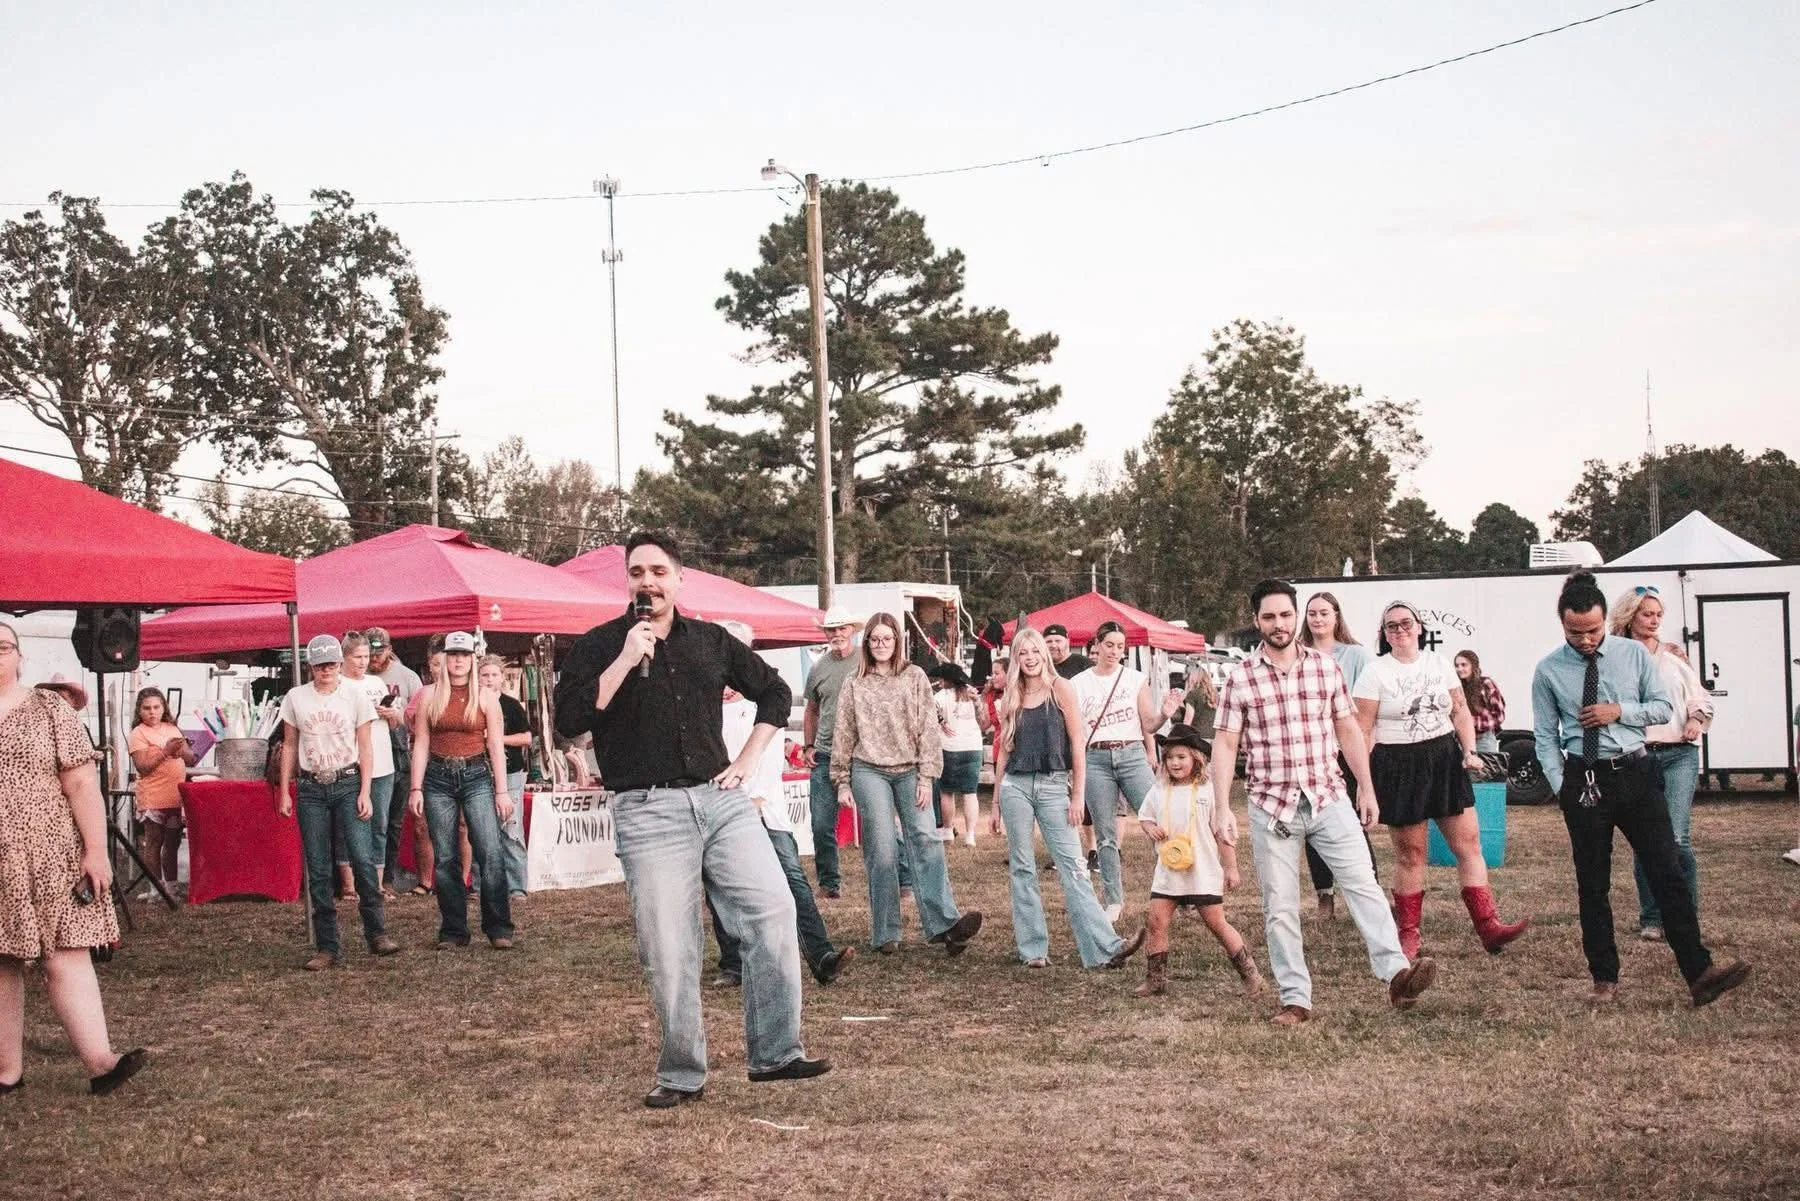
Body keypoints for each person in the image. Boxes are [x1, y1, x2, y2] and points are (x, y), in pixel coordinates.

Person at [553, 531, 827, 1108]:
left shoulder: (711, 640)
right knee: (670, 945)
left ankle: (776, 1053)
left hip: (720, 800)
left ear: (679, 579)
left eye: (657, 571)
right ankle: (682, 1073)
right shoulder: (601, 644)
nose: (647, 582)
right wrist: (626, 659)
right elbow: (569, 721)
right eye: (636, 573)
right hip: (647, 809)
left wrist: (749, 759)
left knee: (773, 909)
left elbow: (775, 693)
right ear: (626, 583)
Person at [1211, 580, 1437, 1026]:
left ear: (1296, 617)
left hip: (1329, 797)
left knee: (1364, 887)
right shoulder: (1240, 677)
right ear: (1257, 620)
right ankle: (1295, 999)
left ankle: (1397, 974)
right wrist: (1221, 808)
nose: (1280, 624)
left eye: (1286, 615)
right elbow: (1224, 743)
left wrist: (1366, 788)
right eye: (1270, 617)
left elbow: (1348, 729)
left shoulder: (1325, 668)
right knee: (1280, 908)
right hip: (1271, 805)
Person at [1531, 572, 1750, 1007]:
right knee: (1592, 884)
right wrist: (1562, 787)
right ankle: (1604, 979)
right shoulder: (1549, 670)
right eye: (1576, 633)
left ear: (1604, 620)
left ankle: (1699, 973)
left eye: (1593, 630)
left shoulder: (1633, 655)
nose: (1587, 640)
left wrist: (1619, 711)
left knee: (1667, 870)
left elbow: (1662, 706)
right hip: (1584, 779)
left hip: (1635, 774)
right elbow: (1544, 736)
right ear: (1562, 624)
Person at [0, 622, 148, 1095]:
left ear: (20, 657)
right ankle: (7, 1073)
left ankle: (101, 1064)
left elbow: (82, 784)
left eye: (3, 647)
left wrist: (98, 851)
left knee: (68, 955)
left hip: (51, 852)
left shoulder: (49, 709)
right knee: (1, 962)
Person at [1353, 602, 1529, 958]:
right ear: (1384, 635)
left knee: (1469, 845)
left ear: (1419, 627)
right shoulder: (1375, 672)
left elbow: (1461, 710)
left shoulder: (1438, 663)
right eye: (1391, 627)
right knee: (1411, 855)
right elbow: (1362, 729)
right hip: (1398, 765)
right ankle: (1408, 934)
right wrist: (1364, 783)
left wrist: (1468, 751)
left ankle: (1489, 927)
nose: (1400, 630)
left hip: (1444, 760)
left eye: (1406, 623)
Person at [709, 622, 854, 989]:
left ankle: (820, 956)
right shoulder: (704, 704)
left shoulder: (765, 700)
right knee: (720, 888)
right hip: (718, 808)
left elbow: (770, 761)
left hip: (763, 808)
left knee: (792, 881)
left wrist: (754, 799)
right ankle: (734, 962)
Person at [988, 628, 1140, 970]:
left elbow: (1077, 743)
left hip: (1055, 785)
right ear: (1015, 658)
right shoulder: (1010, 694)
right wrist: (995, 801)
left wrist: (1078, 795)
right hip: (1016, 786)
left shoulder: (1061, 689)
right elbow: (1003, 753)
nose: (1029, 658)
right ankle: (1033, 949)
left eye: (1034, 652)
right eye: (1022, 653)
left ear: (1044, 654)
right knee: (1022, 867)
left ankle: (1104, 947)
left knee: (1073, 867)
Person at [833, 611, 983, 956]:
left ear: (898, 641)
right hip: (868, 769)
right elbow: (843, 732)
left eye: (888, 638)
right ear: (867, 643)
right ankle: (886, 931)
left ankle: (945, 925)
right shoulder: (855, 681)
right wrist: (842, 780)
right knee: (882, 848)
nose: (881, 645)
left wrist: (927, 775)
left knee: (926, 838)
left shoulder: (914, 676)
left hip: (911, 769)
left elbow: (929, 728)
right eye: (875, 639)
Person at [277, 634, 400, 970]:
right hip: (312, 785)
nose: (326, 670)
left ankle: (377, 932)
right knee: (318, 866)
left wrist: (364, 790)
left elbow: (366, 744)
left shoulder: (355, 695)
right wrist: (285, 790)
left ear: (338, 663)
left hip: (347, 781)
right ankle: (327, 945)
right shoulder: (296, 698)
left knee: (362, 858)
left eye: (331, 663)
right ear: (310, 666)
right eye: (320, 665)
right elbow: (289, 744)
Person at [1607, 587, 1714, 944]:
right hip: (1637, 755)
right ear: (1630, 617)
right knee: (1646, 840)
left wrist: (1696, 718)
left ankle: (1685, 916)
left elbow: (1699, 697)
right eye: (1646, 614)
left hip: (1678, 753)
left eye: (1657, 615)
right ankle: (1652, 917)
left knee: (1678, 837)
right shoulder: (1616, 658)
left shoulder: (1674, 658)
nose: (1654, 621)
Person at [1135, 725, 1262, 998]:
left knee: (1216, 923)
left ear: (1196, 758)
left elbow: (1222, 833)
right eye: (1169, 758)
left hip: (1202, 870)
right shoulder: (1159, 790)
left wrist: (1231, 868)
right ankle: (1155, 978)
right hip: (1169, 870)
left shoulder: (1208, 792)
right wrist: (1149, 828)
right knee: (1156, 920)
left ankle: (1250, 973)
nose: (1175, 763)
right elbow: (1145, 816)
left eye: (1181, 757)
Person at [408, 632, 515, 951]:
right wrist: (415, 787)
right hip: (438, 776)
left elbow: (496, 744)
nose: (458, 660)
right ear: (445, 658)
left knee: (490, 850)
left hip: (477, 774)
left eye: (464, 655)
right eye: (452, 654)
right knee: (445, 856)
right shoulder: (428, 696)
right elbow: (422, 743)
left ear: (472, 659)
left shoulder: (486, 697)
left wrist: (502, 791)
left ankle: (498, 926)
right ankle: (453, 929)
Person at [1073, 621, 1182, 921]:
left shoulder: (1135, 679)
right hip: (1095, 758)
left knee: (1158, 816)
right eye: (1109, 645)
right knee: (1105, 833)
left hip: (1132, 754)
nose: (1115, 652)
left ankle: (1180, 889)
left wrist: (1164, 714)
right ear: (1096, 645)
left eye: (1121, 647)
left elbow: (1148, 723)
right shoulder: (1079, 683)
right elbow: (1074, 731)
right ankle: (1114, 900)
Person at [1297, 590, 1379, 919]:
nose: (1317, 618)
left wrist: (1364, 753)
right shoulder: (1297, 654)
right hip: (1311, 751)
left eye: (1324, 613)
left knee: (1354, 824)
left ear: (1336, 616)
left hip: (1348, 750)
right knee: (1312, 825)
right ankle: (1324, 896)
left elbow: (1367, 709)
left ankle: (1370, 894)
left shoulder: (1356, 655)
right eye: (1312, 613)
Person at [801, 609, 860, 899]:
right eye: (831, 630)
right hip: (825, 752)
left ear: (852, 630)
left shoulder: (867, 660)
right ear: (825, 634)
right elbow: (811, 709)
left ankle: (903, 881)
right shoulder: (818, 667)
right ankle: (829, 883)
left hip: (863, 754)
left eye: (842, 628)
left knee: (880, 820)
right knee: (821, 822)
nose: (836, 634)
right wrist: (808, 745)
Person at [340, 632, 399, 898]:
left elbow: (395, 725)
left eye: (366, 657)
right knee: (349, 823)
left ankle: (375, 884)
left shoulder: (377, 683)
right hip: (350, 761)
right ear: (344, 658)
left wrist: (391, 714)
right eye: (358, 657)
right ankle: (349, 884)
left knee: (380, 823)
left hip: (383, 761)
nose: (364, 662)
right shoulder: (338, 685)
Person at [127, 686, 197, 898]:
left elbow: (191, 759)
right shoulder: (137, 733)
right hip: (153, 795)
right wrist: (165, 752)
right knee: (154, 841)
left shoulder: (172, 728)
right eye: (147, 708)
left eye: (156, 707)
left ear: (163, 707)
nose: (152, 712)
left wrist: (184, 751)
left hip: (174, 794)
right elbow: (143, 767)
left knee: (173, 842)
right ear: (139, 711)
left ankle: (171, 887)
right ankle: (155, 889)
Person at [366, 627, 420, 888]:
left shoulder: (407, 677)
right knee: (369, 817)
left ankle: (387, 875)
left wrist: (396, 718)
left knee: (394, 819)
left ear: (389, 650)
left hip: (398, 752)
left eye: (379, 652)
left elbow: (419, 717)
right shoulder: (357, 675)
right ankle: (363, 876)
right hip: (367, 752)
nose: (374, 658)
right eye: (370, 653)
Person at [479, 655, 533, 900]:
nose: (489, 679)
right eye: (485, 675)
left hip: (511, 772)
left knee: (511, 828)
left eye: (494, 675)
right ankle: (482, 885)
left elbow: (526, 738)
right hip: (479, 773)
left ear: (502, 677)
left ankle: (517, 885)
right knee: (480, 829)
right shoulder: (472, 704)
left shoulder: (511, 705)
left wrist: (497, 740)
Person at [931, 664, 985, 846]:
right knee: (970, 792)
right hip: (972, 745)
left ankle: (947, 831)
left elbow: (929, 716)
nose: (939, 682)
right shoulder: (972, 693)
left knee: (946, 792)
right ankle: (970, 835)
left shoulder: (939, 697)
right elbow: (982, 719)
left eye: (941, 679)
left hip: (948, 747)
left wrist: (941, 721)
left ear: (947, 680)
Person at [1455, 650, 1507, 755]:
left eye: (1464, 665)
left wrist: (1472, 722)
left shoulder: (1485, 684)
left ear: (1473, 666)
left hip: (1483, 739)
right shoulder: (1457, 688)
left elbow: (1499, 715)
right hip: (1462, 741)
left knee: (1485, 771)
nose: (1459, 669)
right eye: (1457, 665)